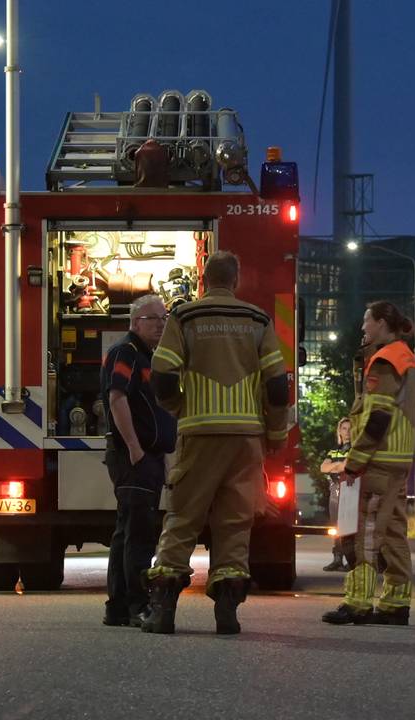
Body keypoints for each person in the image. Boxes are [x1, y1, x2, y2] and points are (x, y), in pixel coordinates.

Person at [141, 251, 290, 635]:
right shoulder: (258, 321)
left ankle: (162, 612)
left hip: (200, 434)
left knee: (183, 518)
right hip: (246, 439)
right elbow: (277, 385)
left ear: (204, 280)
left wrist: (179, 406)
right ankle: (227, 611)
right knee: (235, 523)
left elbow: (161, 374)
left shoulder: (185, 317)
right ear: (235, 280)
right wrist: (274, 432)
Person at [323, 301, 415, 627]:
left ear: (381, 323)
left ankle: (358, 603)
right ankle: (395, 603)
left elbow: (377, 417)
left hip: (378, 460)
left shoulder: (385, 360)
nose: (362, 328)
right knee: (393, 533)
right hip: (399, 457)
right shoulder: (405, 356)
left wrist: (355, 461)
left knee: (363, 533)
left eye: (366, 321)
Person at [101, 294, 177, 627]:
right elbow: (116, 398)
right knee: (139, 532)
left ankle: (117, 607)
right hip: (135, 456)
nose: (161, 323)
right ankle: (137, 604)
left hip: (148, 455)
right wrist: (134, 447)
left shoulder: (149, 356)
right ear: (134, 323)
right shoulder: (127, 353)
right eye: (153, 319)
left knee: (126, 531)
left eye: (164, 317)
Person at [321, 417, 352, 572]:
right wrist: (338, 466)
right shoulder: (334, 451)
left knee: (349, 527)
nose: (347, 432)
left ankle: (351, 559)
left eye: (350, 428)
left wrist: (336, 466)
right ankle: (337, 559)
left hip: (350, 491)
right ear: (339, 431)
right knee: (336, 527)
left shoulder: (355, 450)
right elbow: (323, 468)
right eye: (344, 428)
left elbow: (346, 467)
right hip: (335, 492)